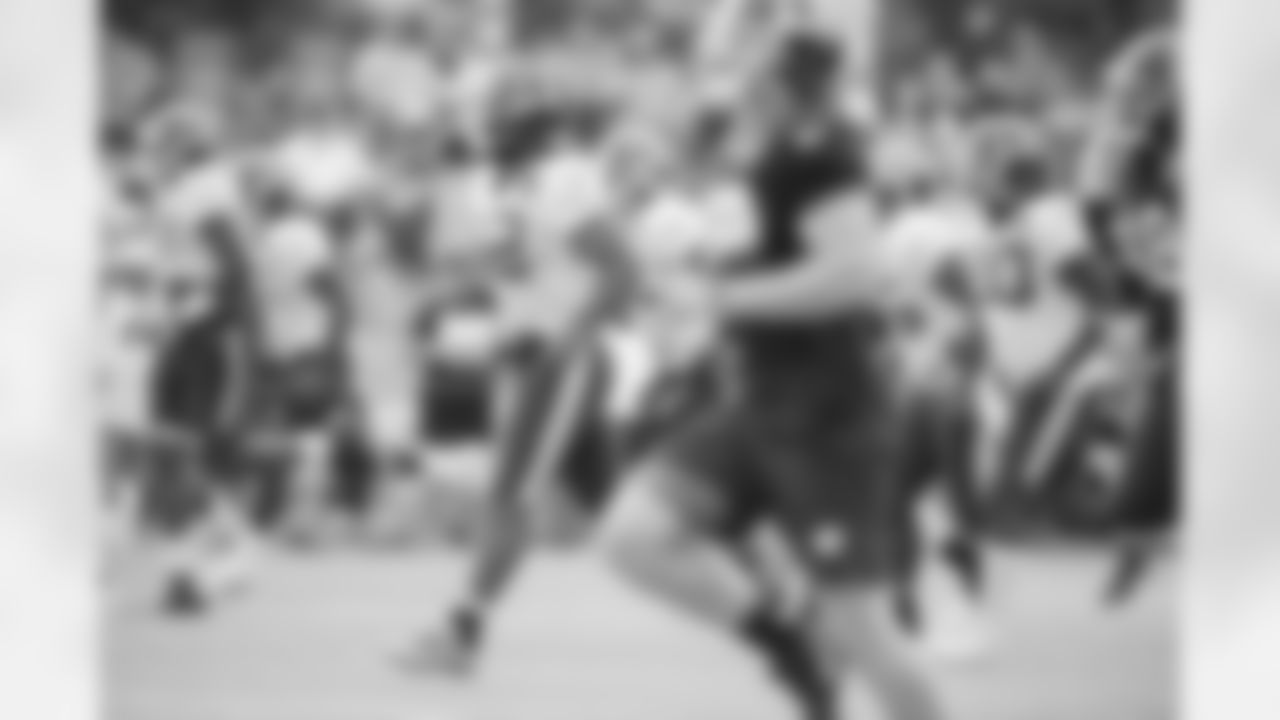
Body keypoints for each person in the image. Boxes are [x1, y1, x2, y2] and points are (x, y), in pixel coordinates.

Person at [597, 32, 943, 720]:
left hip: (830, 413)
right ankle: (788, 647)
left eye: (750, 66)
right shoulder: (754, 153)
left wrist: (720, 298)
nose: (733, 77)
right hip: (761, 399)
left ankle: (815, 652)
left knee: (863, 631)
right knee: (635, 536)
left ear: (779, 82)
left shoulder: (816, 152)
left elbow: (853, 274)